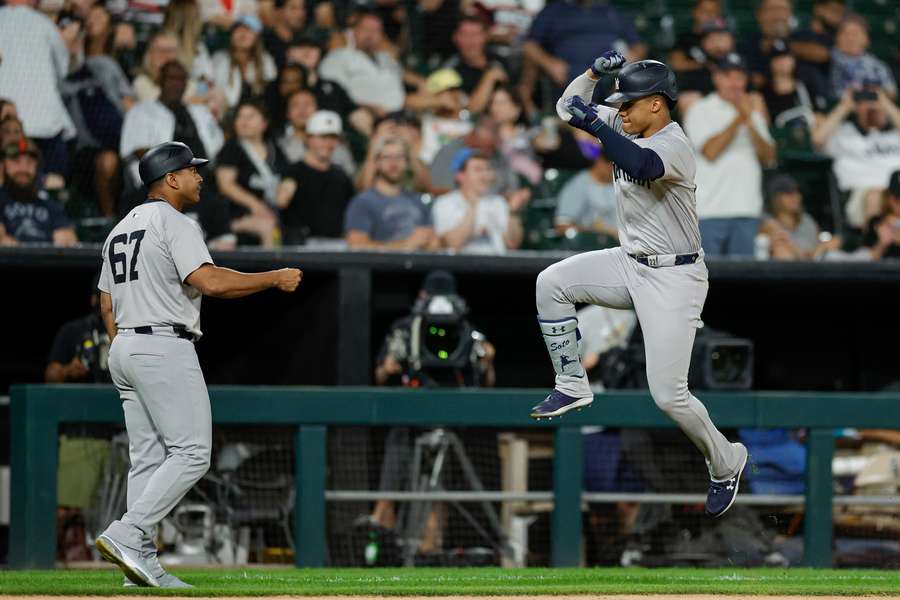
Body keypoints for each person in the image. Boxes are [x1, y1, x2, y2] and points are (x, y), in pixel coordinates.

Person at [531, 52, 748, 518]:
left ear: (657, 104)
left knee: (668, 394)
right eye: (619, 104)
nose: (621, 110)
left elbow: (643, 164)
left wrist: (601, 125)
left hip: (675, 276)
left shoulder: (673, 143)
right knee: (551, 283)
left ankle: (727, 460)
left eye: (629, 103)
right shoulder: (627, 124)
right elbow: (567, 107)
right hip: (630, 263)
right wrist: (591, 74)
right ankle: (572, 383)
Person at [93, 141, 301, 588]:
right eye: (191, 170)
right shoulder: (175, 221)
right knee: (191, 453)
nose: (198, 176)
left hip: (126, 345)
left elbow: (106, 302)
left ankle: (139, 566)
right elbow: (208, 281)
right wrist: (273, 277)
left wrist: (125, 347)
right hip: (163, 344)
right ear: (170, 179)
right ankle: (128, 534)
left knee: (147, 459)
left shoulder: (120, 229)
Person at [684, 53, 776, 257]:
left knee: (742, 283)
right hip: (709, 210)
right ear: (717, 78)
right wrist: (740, 118)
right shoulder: (701, 109)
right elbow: (710, 152)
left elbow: (768, 157)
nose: (734, 83)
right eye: (728, 76)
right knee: (708, 279)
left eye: (740, 77)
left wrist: (750, 121)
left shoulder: (752, 112)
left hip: (747, 209)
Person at [0, 0, 77, 189]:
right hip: (45, 125)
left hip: (9, 125)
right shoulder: (43, 23)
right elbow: (64, 69)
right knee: (51, 189)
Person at [120, 60, 225, 191]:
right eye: (172, 78)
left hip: (204, 178)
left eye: (181, 79)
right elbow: (138, 150)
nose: (177, 84)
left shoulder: (200, 112)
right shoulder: (141, 111)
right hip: (163, 179)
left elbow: (219, 146)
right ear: (160, 81)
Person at [812, 86, 900, 228]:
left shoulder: (894, 135)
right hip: (862, 195)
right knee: (875, 196)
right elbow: (817, 140)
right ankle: (873, 244)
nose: (873, 107)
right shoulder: (844, 135)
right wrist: (844, 106)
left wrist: (885, 103)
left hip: (896, 191)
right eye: (866, 103)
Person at [522, 1, 645, 93]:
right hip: (570, 75)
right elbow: (529, 46)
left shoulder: (611, 12)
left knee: (627, 92)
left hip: (609, 75)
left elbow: (639, 46)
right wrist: (550, 64)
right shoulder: (553, 11)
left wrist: (626, 68)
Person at [345, 137, 438, 251]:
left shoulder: (418, 201)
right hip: (383, 267)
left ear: (407, 162)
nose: (394, 163)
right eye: (387, 157)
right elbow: (356, 245)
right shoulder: (363, 202)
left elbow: (434, 243)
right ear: (377, 163)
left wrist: (432, 244)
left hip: (419, 265)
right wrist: (405, 245)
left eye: (399, 157)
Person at [277, 111, 356, 244]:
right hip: (302, 246)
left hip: (338, 244)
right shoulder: (293, 171)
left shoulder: (341, 174)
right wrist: (284, 190)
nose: (328, 143)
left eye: (333, 138)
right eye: (322, 137)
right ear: (308, 138)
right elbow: (280, 201)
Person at [215, 101, 287, 247]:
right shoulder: (231, 148)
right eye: (240, 116)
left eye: (251, 116)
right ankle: (274, 270)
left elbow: (286, 176)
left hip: (271, 211)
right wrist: (256, 206)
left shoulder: (275, 149)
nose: (244, 121)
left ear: (264, 123)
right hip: (234, 214)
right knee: (267, 226)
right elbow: (226, 185)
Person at [432, 149, 527, 253]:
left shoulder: (497, 202)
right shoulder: (445, 203)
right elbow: (453, 243)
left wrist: (513, 212)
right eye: (478, 170)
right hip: (461, 265)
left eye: (487, 169)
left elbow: (513, 243)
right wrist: (472, 207)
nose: (485, 175)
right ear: (460, 175)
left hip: (497, 264)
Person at [319, 10, 406, 116]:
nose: (370, 34)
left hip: (402, 114)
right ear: (354, 31)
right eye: (365, 29)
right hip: (361, 116)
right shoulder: (338, 57)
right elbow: (333, 93)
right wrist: (367, 108)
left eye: (376, 30)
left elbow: (402, 81)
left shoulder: (387, 58)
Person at [0, 137, 78, 246]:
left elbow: (67, 241)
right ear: (3, 165)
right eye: (16, 161)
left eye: (29, 162)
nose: (23, 168)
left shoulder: (50, 205)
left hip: (46, 261)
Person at [759, 173, 841, 260]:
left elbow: (819, 244)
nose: (795, 197)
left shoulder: (807, 220)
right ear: (776, 198)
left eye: (797, 192)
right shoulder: (768, 220)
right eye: (788, 193)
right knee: (780, 249)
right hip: (790, 267)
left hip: (814, 263)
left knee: (835, 242)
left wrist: (821, 248)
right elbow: (780, 239)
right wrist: (802, 254)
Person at [46, 276, 112, 383]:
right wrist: (67, 370)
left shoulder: (129, 331)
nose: (106, 303)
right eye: (101, 296)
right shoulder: (73, 330)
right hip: (84, 395)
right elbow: (50, 376)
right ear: (93, 299)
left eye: (111, 298)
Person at [441, 17, 509, 115]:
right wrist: (489, 78)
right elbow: (469, 111)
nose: (471, 41)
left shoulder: (500, 59)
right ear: (455, 37)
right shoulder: (449, 70)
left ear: (486, 36)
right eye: (465, 35)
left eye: (476, 34)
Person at [211, 15, 278, 110]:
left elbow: (270, 91)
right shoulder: (220, 58)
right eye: (239, 29)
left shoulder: (265, 60)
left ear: (256, 37)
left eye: (249, 30)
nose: (243, 34)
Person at [829, 14, 896, 101]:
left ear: (867, 39)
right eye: (845, 33)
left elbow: (892, 93)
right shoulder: (826, 59)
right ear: (837, 38)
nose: (850, 38)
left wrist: (873, 91)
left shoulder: (877, 65)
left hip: (874, 108)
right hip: (838, 108)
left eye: (855, 33)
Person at [554, 152, 618, 240]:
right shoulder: (578, 185)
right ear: (600, 161)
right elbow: (562, 226)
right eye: (611, 165)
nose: (615, 170)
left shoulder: (620, 184)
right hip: (592, 247)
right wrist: (601, 233)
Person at [863, 170, 900, 260]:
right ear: (889, 197)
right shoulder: (876, 222)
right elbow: (868, 258)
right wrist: (882, 243)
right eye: (897, 198)